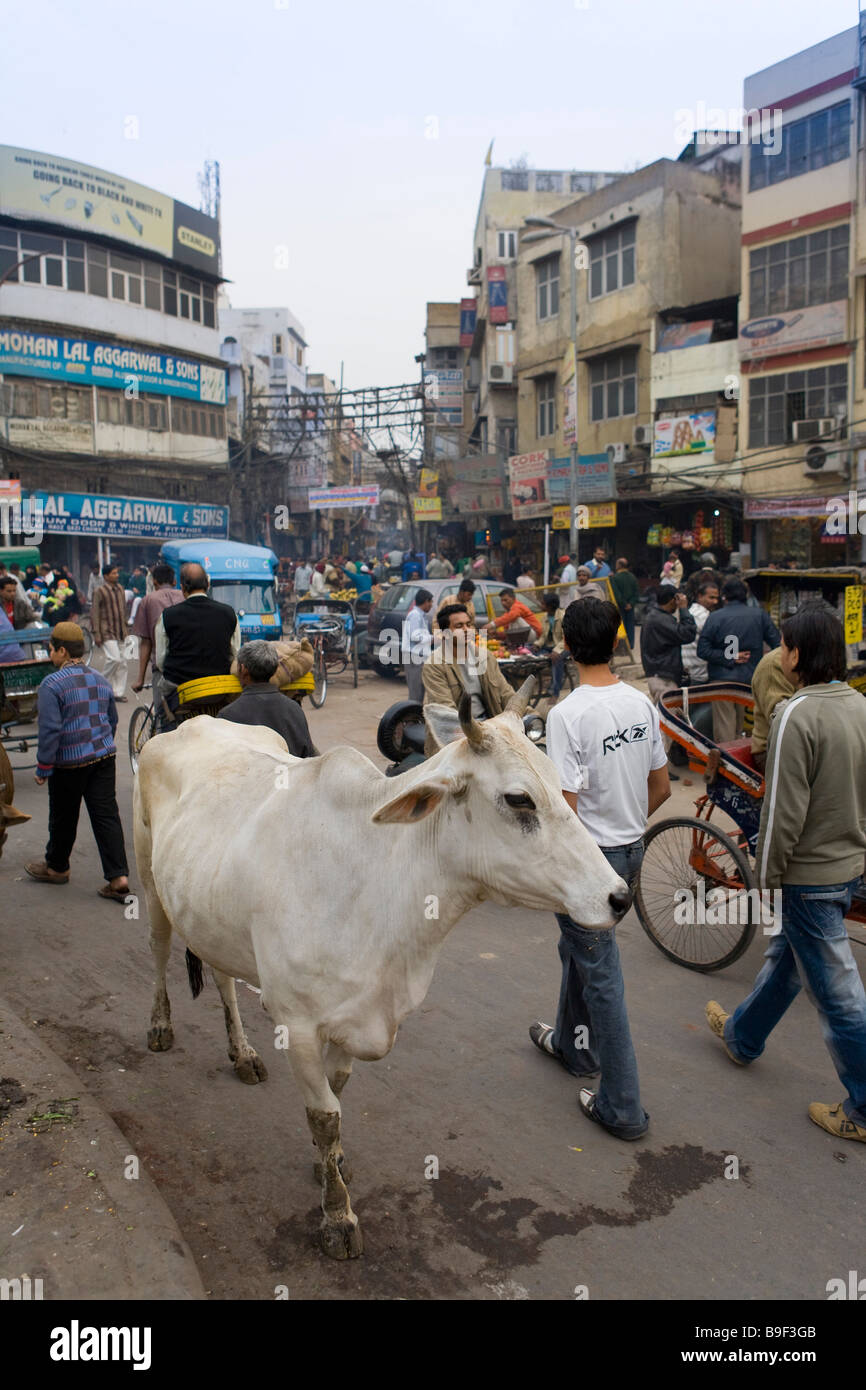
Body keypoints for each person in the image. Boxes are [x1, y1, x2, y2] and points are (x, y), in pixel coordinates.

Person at [706, 604, 866, 1144]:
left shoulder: (797, 714)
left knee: (840, 995)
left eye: (787, 645)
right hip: (847, 867)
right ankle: (742, 1037)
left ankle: (863, 1108)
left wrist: (766, 880)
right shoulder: (859, 707)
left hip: (809, 875)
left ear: (798, 654)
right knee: (787, 961)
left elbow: (781, 813)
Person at [532, 598, 670, 1141]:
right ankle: (572, 1046)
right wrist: (625, 827)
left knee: (602, 976)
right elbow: (660, 788)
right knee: (581, 952)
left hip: (590, 865)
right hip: (631, 852)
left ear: (566, 647)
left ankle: (623, 1106)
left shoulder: (567, 714)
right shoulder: (640, 703)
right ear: (616, 641)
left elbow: (565, 811)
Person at [25, 622, 130, 903]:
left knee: (63, 815)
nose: (50, 654)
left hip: (69, 763)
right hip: (103, 757)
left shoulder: (51, 684)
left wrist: (43, 767)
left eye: (51, 649)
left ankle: (57, 867)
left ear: (61, 650)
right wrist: (100, 742)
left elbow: (50, 729)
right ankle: (118, 878)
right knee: (106, 815)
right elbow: (112, 719)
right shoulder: (100, 678)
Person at [154, 563, 240, 728]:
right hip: (218, 690)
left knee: (165, 721)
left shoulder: (167, 616)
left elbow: (160, 660)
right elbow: (235, 654)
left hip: (181, 691)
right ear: (207, 584)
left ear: (182, 587)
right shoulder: (229, 613)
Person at [421, 603, 514, 754]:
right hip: (456, 736)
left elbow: (506, 693)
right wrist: (477, 732)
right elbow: (445, 711)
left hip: (491, 729)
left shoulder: (485, 657)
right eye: (458, 626)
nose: (466, 630)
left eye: (468, 624)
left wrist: (529, 714)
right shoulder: (434, 664)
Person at [697, 577, 780, 742]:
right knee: (740, 726)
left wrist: (730, 657)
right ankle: (739, 762)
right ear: (746, 596)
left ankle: (726, 763)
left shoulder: (715, 617)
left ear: (724, 597)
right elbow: (778, 644)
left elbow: (703, 650)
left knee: (724, 725)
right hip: (750, 679)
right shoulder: (760, 615)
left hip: (721, 681)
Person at [217, 640, 316, 757]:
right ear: (274, 670)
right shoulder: (294, 710)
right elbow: (308, 756)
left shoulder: (227, 716)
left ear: (243, 670)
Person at [640, 582, 697, 778]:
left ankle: (660, 765)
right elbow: (687, 633)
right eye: (678, 599)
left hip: (662, 674)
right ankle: (658, 769)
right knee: (664, 724)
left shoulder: (657, 617)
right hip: (662, 677)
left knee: (666, 721)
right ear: (672, 600)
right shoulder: (660, 619)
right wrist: (684, 610)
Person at [131, 562, 183, 694]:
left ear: (154, 582)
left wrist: (140, 679)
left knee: (162, 712)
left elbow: (146, 642)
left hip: (162, 668)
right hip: (187, 665)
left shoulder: (148, 600)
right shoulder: (184, 596)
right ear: (174, 581)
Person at [750, 646, 795, 773]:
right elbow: (782, 721)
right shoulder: (775, 662)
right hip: (772, 750)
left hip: (799, 746)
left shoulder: (813, 658)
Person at [90, 564, 130, 701]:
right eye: (113, 573)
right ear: (106, 576)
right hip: (106, 631)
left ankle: (117, 693)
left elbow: (124, 610)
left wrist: (126, 628)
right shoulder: (99, 591)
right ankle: (99, 684)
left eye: (117, 573)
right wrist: (96, 633)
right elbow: (94, 613)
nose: (117, 575)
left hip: (121, 631)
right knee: (114, 659)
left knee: (123, 663)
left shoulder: (120, 589)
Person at [681, 579, 720, 685]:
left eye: (716, 598)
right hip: (698, 673)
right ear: (699, 596)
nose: (715, 602)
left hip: (690, 670)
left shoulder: (691, 612)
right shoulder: (703, 616)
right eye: (711, 598)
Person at [402, 588, 434, 703]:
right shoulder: (415, 615)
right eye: (430, 602)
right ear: (426, 601)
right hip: (414, 657)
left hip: (419, 657)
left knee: (419, 692)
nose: (431, 605)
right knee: (415, 694)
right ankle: (412, 719)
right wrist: (433, 638)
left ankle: (416, 717)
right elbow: (415, 637)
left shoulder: (420, 616)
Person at [532, 592, 566, 698]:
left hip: (565, 645)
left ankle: (555, 691)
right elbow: (543, 636)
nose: (541, 606)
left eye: (543, 604)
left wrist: (557, 651)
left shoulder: (563, 616)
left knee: (557, 658)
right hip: (551, 646)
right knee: (530, 652)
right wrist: (537, 645)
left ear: (550, 605)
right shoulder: (545, 617)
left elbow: (567, 637)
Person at [610, 557, 639, 649]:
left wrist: (624, 604)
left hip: (620, 606)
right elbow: (636, 593)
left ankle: (622, 646)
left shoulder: (614, 578)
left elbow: (617, 594)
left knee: (620, 626)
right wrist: (631, 604)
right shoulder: (633, 577)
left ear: (619, 565)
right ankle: (630, 644)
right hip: (630, 606)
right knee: (630, 625)